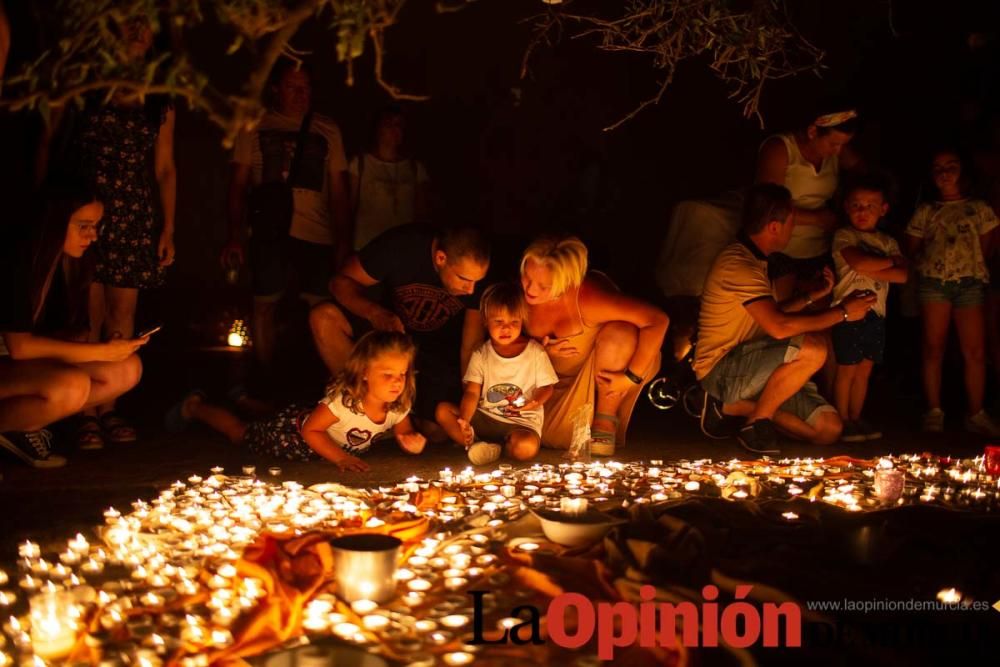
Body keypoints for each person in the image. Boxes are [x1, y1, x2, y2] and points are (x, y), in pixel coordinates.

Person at [36, 17, 175, 446]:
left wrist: (168, 225)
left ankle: (109, 406)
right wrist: (43, 210)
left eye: (144, 24)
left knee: (123, 315)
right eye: (128, 23)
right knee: (87, 311)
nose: (137, 31)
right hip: (86, 206)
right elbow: (50, 141)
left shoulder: (161, 97)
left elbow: (165, 167)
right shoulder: (85, 84)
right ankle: (83, 413)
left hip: (133, 211)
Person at [695, 183, 876, 454]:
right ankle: (755, 425)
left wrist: (810, 297)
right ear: (774, 227)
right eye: (792, 223)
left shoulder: (758, 261)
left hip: (755, 367)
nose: (795, 230)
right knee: (813, 347)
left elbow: (771, 316)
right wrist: (845, 313)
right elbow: (779, 327)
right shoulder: (739, 264)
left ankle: (733, 407)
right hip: (723, 369)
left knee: (828, 429)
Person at [0, 184, 146, 467]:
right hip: (9, 359)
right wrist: (100, 352)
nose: (92, 235)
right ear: (54, 221)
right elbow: (19, 347)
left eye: (96, 226)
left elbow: (57, 337)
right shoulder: (16, 259)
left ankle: (20, 429)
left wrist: (105, 348)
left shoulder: (70, 264)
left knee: (127, 368)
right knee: (72, 385)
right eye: (83, 225)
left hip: (20, 364)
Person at [224, 59, 351, 379]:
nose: (301, 95)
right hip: (269, 231)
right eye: (293, 87)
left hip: (317, 234)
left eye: (306, 88)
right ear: (276, 89)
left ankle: (322, 384)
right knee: (264, 305)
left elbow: (339, 191)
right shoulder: (254, 126)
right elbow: (238, 185)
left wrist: (342, 242)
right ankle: (266, 379)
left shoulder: (328, 129)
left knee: (321, 308)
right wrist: (235, 235)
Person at [310, 225, 490, 434]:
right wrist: (375, 313)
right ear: (441, 258)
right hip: (387, 342)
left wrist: (469, 397)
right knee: (323, 317)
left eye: (477, 282)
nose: (471, 290)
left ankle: (398, 419)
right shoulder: (401, 246)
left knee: (436, 432)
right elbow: (339, 282)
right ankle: (362, 411)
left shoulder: (476, 275)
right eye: (464, 279)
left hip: (434, 355)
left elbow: (470, 345)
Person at [166, 331, 425, 472]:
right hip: (292, 436)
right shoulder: (342, 403)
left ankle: (243, 399)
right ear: (365, 374)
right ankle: (195, 407)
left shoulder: (398, 404)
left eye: (402, 374)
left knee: (271, 411)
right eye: (388, 375)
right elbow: (310, 429)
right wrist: (340, 458)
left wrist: (411, 441)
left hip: (306, 421)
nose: (397, 382)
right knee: (241, 432)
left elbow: (404, 430)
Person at [520, 236, 668, 456]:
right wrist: (540, 352)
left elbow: (657, 320)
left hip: (599, 376)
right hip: (548, 389)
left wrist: (631, 376)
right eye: (527, 277)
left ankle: (604, 422)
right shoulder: (519, 296)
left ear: (567, 282)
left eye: (544, 285)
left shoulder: (588, 298)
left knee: (622, 331)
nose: (531, 289)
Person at [905, 149, 1000, 435]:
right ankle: (934, 411)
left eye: (951, 166)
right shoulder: (926, 211)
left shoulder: (980, 209)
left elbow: (986, 247)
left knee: (975, 350)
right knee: (933, 347)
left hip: (969, 285)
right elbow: (912, 248)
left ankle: (976, 413)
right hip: (934, 285)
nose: (944, 172)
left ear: (963, 171)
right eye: (938, 167)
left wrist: (966, 269)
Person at [435, 282, 558, 465]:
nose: (506, 328)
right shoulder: (481, 354)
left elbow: (547, 387)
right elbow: (472, 392)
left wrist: (534, 402)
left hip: (520, 422)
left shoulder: (535, 352)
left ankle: (496, 450)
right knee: (443, 411)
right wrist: (465, 422)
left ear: (522, 321)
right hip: (485, 417)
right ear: (486, 321)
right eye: (499, 322)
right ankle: (474, 443)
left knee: (526, 448)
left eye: (513, 322)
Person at [830, 176, 909, 442]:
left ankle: (856, 416)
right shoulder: (844, 235)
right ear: (846, 207)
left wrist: (878, 266)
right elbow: (858, 263)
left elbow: (903, 276)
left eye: (869, 206)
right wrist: (888, 262)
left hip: (877, 314)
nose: (862, 211)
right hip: (849, 312)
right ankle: (842, 419)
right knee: (847, 368)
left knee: (864, 369)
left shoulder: (888, 240)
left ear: (883, 209)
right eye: (856, 205)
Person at [756, 107, 863, 295]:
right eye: (834, 144)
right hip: (780, 251)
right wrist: (816, 219)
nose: (838, 150)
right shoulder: (780, 149)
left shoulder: (836, 152)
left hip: (819, 250)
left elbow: (865, 174)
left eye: (843, 145)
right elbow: (767, 206)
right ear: (813, 132)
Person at [349, 105, 430, 250]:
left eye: (399, 124)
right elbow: (349, 207)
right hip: (367, 247)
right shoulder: (360, 164)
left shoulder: (415, 168)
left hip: (403, 249)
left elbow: (421, 214)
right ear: (378, 129)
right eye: (389, 124)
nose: (395, 129)